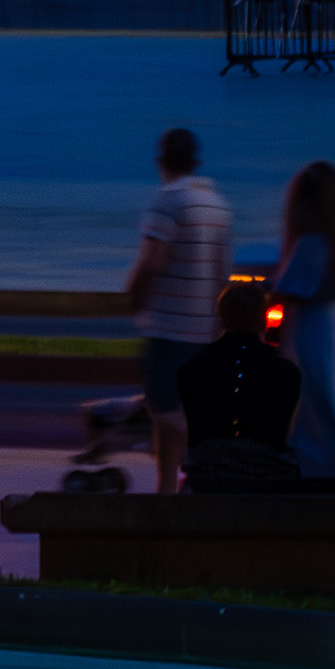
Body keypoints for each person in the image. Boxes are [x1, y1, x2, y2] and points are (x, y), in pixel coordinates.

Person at [125, 127, 231, 494]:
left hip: (169, 327)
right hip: (205, 328)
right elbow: (222, 274)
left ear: (161, 161)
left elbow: (154, 258)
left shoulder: (168, 198)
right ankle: (167, 491)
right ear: (195, 161)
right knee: (171, 420)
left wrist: (133, 293)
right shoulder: (217, 204)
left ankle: (202, 466)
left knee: (165, 412)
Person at [270, 160, 335, 491]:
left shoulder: (311, 245)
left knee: (313, 399)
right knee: (331, 397)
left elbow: (287, 288)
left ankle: (317, 464)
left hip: (311, 328)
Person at [175, 280, 303, 492]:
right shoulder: (286, 372)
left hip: (207, 481)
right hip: (268, 482)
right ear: (263, 319)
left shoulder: (192, 368)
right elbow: (284, 433)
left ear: (222, 317)